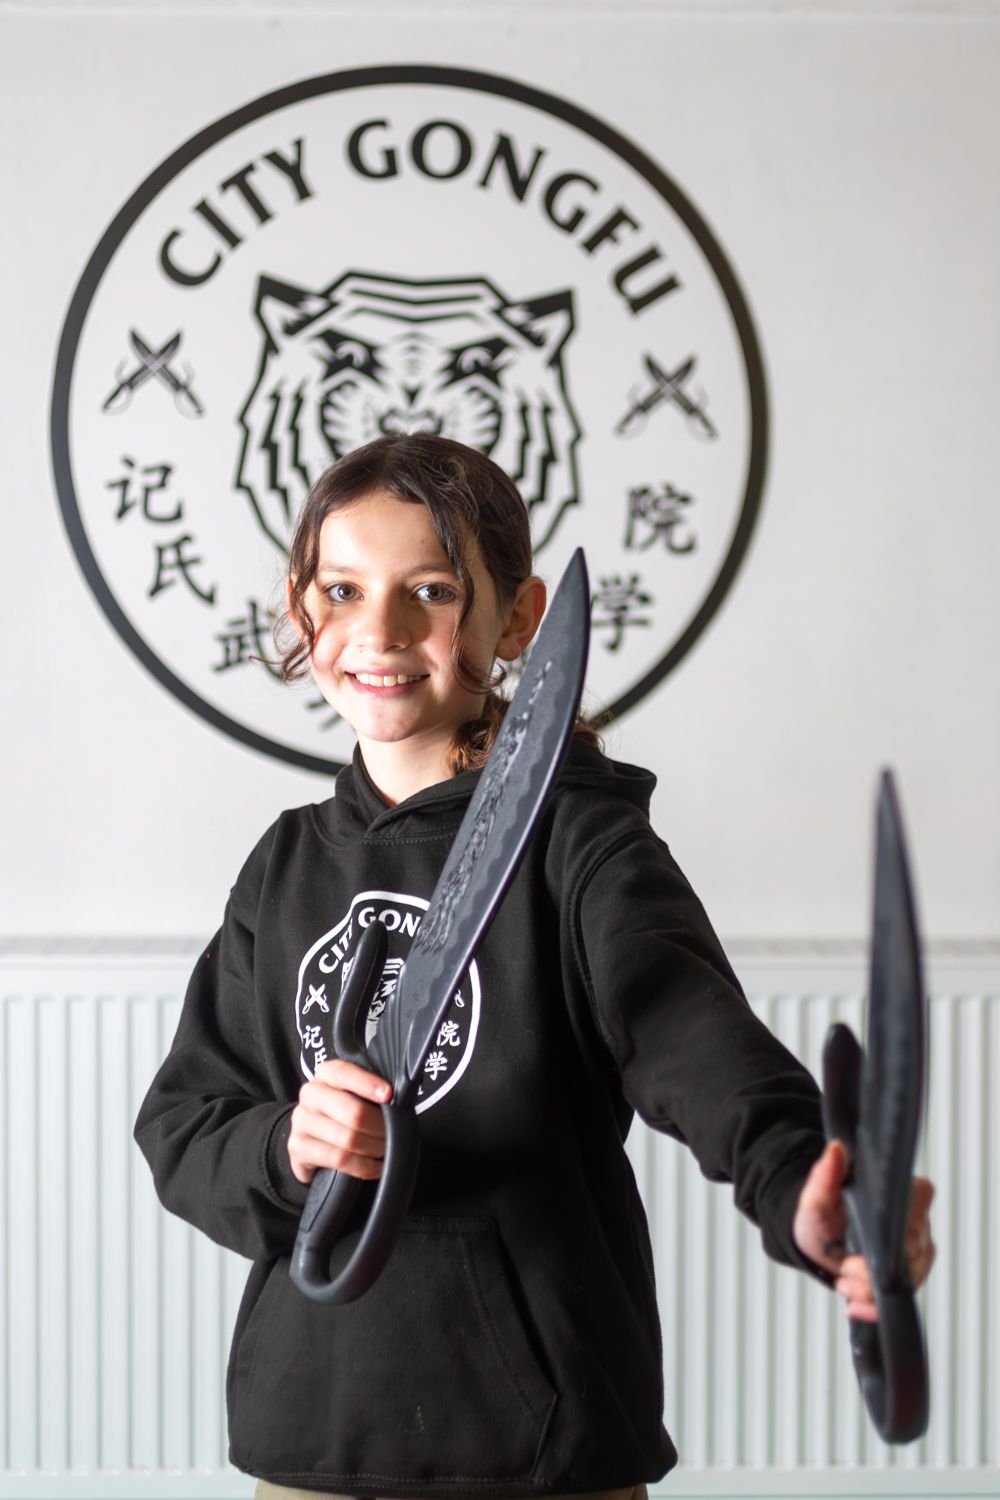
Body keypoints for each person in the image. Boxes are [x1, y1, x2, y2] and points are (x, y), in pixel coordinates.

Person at [134, 433, 934, 1500]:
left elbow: (692, 1041)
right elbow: (186, 1125)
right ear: (300, 608)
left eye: (431, 589)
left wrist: (804, 1190)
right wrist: (290, 1146)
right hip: (312, 1430)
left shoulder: (578, 843)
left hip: (540, 1442)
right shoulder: (284, 863)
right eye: (343, 588)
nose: (381, 629)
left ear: (516, 618)